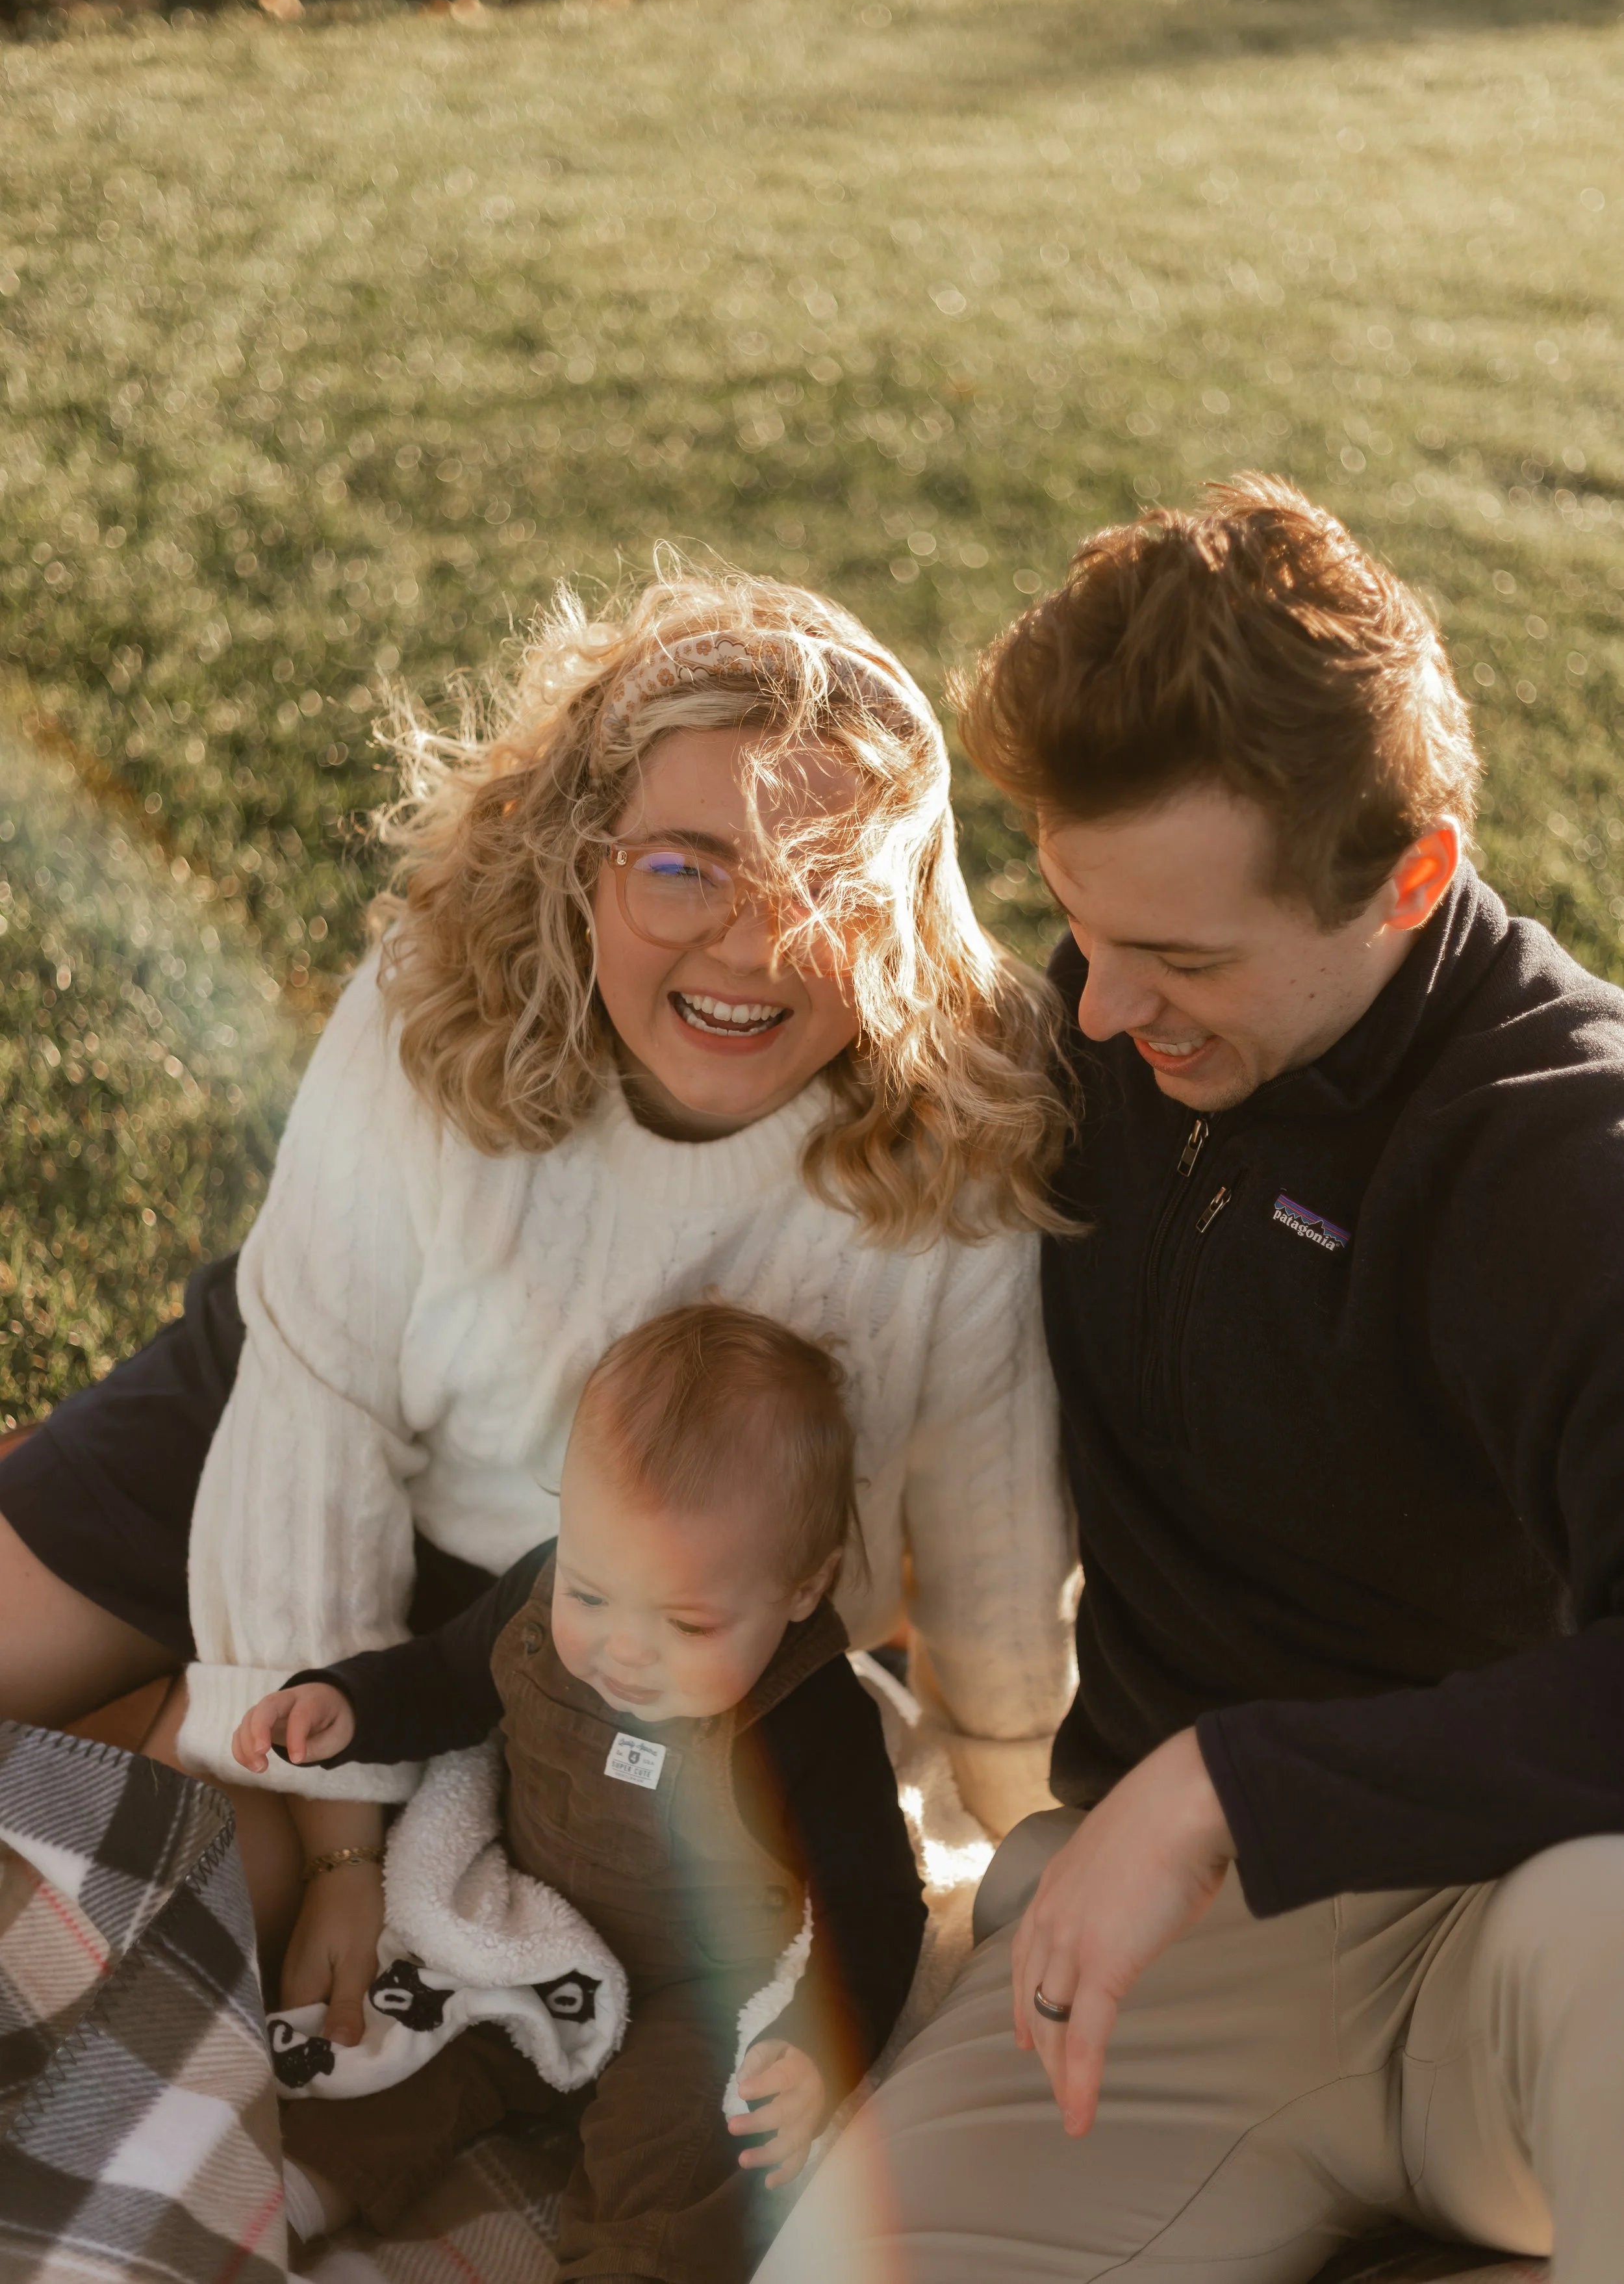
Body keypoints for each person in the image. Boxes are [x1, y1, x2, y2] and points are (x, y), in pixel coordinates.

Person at [0, 570, 1076, 2047]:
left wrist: (1021, 1804)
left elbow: (984, 1497)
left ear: (905, 904)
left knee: (146, 1914)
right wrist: (346, 1847)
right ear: (582, 856)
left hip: (567, 1617)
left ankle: (160, 1738)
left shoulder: (953, 1122)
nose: (752, 946)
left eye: (827, 886)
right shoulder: (436, 999)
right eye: (682, 866)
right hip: (276, 1436)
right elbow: (317, 1412)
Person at [757, 478, 1624, 2284]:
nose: (1096, 1014)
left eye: (1184, 957)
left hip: (1523, 1922)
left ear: (1412, 875)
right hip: (1165, 1948)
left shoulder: (1564, 1154)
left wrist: (1232, 1780)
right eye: (1085, 928)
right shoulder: (1092, 1047)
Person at [237, 1300, 927, 2278]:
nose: (623, 1649)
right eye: (591, 1592)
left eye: (687, 1624)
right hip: (529, 1935)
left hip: (701, 1995)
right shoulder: (531, 1604)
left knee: (683, 2143)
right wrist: (343, 1704)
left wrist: (817, 2051)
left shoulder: (814, 1719)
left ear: (803, 1590)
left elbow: (875, 1908)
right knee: (402, 2044)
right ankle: (285, 2196)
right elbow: (439, 1678)